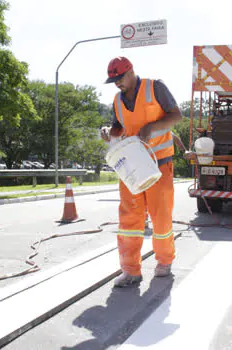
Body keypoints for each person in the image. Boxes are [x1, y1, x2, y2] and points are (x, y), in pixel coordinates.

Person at [100, 56, 184, 288]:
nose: (117, 83)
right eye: (114, 80)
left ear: (130, 71)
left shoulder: (155, 87)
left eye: (119, 78)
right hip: (132, 165)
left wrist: (152, 127)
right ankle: (130, 270)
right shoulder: (117, 100)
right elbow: (119, 127)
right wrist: (109, 130)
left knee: (161, 216)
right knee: (129, 218)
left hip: (159, 163)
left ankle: (164, 261)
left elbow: (176, 115)